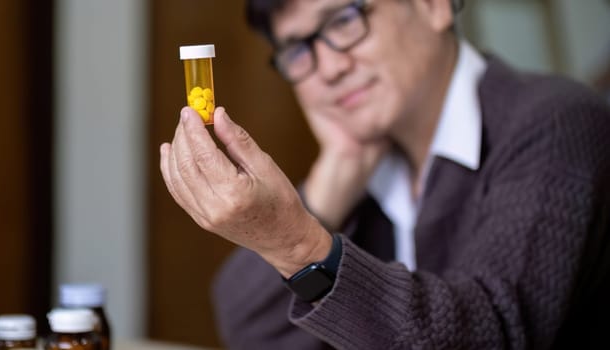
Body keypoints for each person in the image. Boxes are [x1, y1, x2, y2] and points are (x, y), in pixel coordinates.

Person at [159, 0, 610, 348]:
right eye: (299, 48)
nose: (331, 69)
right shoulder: (365, 161)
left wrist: (298, 244)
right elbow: (248, 329)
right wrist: (333, 180)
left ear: (433, 5)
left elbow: (495, 332)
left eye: (344, 20)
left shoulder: (556, 124)